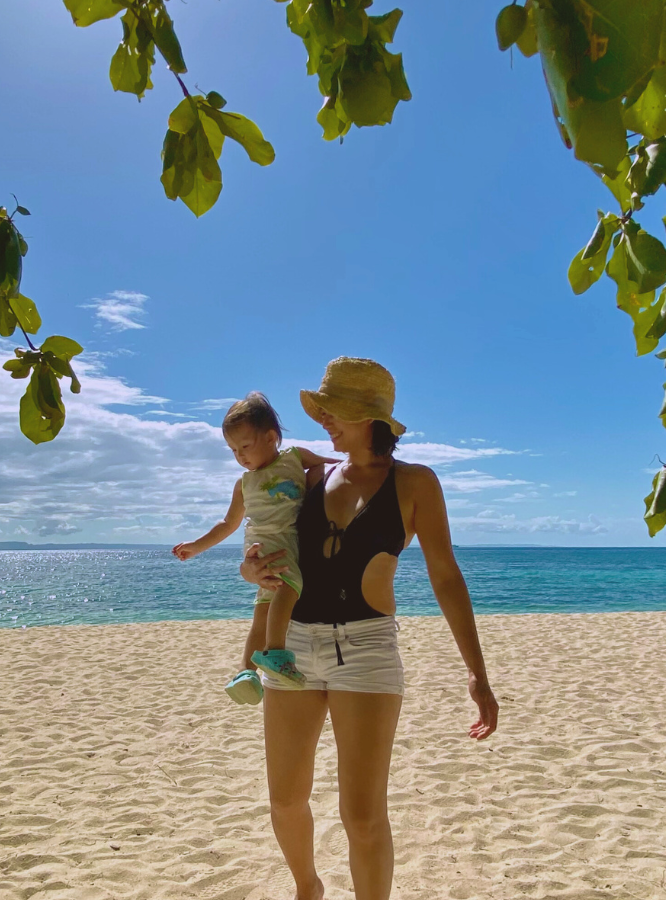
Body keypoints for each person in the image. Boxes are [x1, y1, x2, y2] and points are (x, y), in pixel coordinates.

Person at [240, 357, 499, 900]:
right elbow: (266, 542)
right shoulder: (307, 476)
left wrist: (476, 674)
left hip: (367, 651)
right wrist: (250, 567)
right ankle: (307, 887)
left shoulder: (414, 483)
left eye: (335, 412)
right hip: (292, 649)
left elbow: (446, 578)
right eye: (324, 411)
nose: (326, 422)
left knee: (361, 816)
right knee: (285, 800)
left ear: (369, 417)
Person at [172, 392, 336, 703]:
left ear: (272, 437)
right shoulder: (243, 484)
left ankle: (245, 671)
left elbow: (333, 465)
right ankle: (275, 653)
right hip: (274, 546)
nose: (240, 456)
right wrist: (196, 547)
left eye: (245, 446)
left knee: (263, 612)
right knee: (291, 587)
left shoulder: (294, 458)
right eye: (233, 450)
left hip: (274, 546)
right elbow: (228, 524)